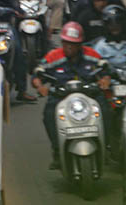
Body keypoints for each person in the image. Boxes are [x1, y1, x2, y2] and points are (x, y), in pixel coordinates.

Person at [32, 22, 110, 169]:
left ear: (80, 44)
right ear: (62, 42)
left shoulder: (91, 55)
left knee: (106, 110)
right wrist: (40, 86)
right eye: (66, 43)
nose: (69, 47)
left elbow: (105, 69)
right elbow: (38, 74)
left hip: (89, 95)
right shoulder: (53, 57)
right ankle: (57, 149)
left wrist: (105, 80)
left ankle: (106, 145)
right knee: (49, 114)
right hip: (61, 97)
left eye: (73, 44)